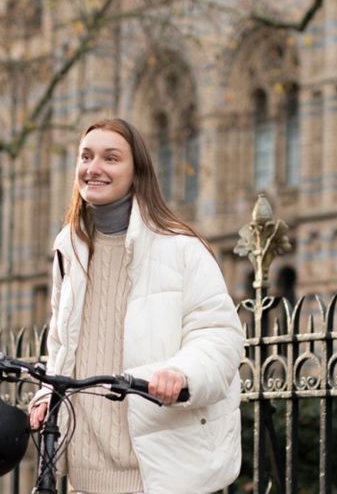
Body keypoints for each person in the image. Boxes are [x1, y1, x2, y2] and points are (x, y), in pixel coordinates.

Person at [29, 118, 245, 493]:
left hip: (157, 473)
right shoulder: (69, 248)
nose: (94, 168)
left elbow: (219, 338)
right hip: (86, 474)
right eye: (86, 156)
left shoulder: (181, 248)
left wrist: (181, 374)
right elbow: (63, 346)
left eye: (111, 158)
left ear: (136, 172)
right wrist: (48, 393)